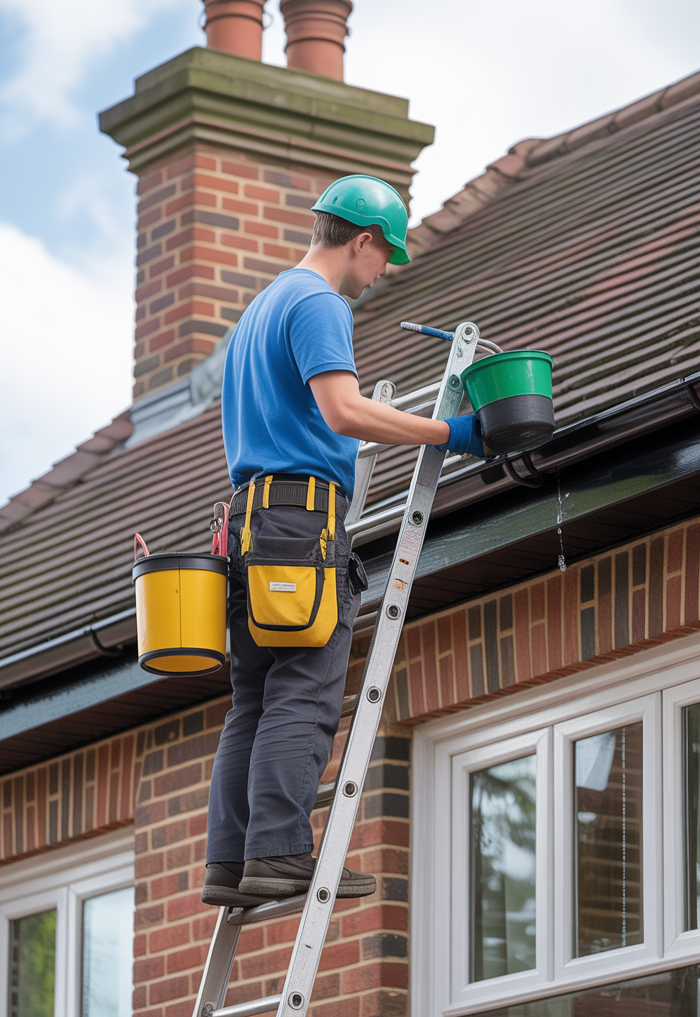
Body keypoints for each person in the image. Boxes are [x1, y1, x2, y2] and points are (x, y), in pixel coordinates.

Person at [202, 174, 484, 906]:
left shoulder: (259, 310)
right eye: (386, 255)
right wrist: (449, 433)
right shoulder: (319, 303)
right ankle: (279, 853)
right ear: (362, 241)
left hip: (250, 527)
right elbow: (343, 412)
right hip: (298, 524)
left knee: (254, 697)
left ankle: (230, 863)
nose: (384, 271)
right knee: (304, 686)